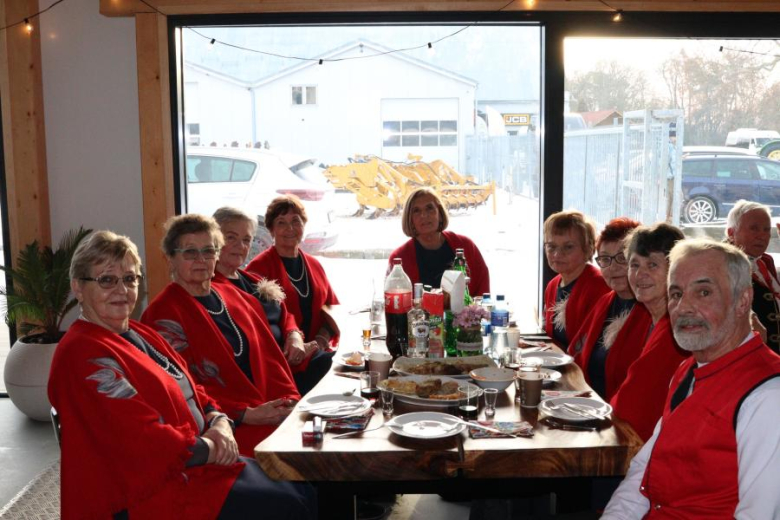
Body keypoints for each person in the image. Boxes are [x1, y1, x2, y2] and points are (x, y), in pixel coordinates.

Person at [49, 230, 315, 519]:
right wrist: (212, 446)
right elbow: (144, 440)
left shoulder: (137, 332)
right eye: (107, 280)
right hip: (151, 488)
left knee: (300, 485)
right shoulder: (82, 353)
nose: (122, 290)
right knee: (285, 504)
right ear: (78, 287)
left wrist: (220, 421)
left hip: (195, 461)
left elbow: (194, 387)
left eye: (129, 279)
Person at [603, 239, 780, 519]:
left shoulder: (768, 396)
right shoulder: (688, 369)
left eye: (704, 292)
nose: (684, 307)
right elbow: (643, 470)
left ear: (743, 300)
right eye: (675, 294)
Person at [142, 214, 301, 457]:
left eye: (208, 250)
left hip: (268, 410)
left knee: (322, 447)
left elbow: (271, 360)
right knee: (298, 473)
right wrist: (246, 413)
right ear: (170, 258)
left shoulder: (236, 296)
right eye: (189, 252)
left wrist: (287, 402)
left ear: (217, 254)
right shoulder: (162, 314)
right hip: (220, 427)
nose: (201, 259)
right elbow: (180, 389)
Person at [213, 206, 334, 395]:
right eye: (231, 238)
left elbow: (285, 315)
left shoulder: (251, 280)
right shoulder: (212, 289)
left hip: (293, 361)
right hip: (271, 377)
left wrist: (294, 336)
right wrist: (294, 351)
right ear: (214, 240)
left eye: (246, 239)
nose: (241, 246)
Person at [609, 223, 689, 441]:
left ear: (676, 270)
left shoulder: (676, 331)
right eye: (634, 264)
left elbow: (634, 408)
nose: (639, 274)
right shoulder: (644, 316)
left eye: (652, 265)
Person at [568, 217, 651, 400]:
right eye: (605, 259)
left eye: (622, 257)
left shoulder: (652, 313)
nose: (613, 267)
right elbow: (575, 352)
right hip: (589, 405)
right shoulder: (606, 302)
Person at [246, 195, 340, 349]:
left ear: (303, 225)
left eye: (296, 221)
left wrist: (321, 340)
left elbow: (332, 306)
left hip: (317, 355)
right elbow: (255, 323)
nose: (290, 228)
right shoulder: (258, 268)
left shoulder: (315, 264)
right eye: (281, 223)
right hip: (280, 358)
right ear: (271, 230)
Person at [387, 187, 490, 295]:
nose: (424, 215)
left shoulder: (466, 246)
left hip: (464, 312)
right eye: (416, 211)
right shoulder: (399, 258)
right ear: (410, 220)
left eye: (429, 208)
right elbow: (393, 301)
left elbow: (484, 293)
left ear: (440, 214)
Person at [543, 210, 610, 350]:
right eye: (551, 246)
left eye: (568, 247)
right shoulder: (552, 285)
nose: (557, 254)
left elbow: (589, 348)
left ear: (588, 249)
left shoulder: (599, 286)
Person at [726, 199, 780, 354]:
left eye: (766, 229)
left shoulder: (765, 262)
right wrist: (750, 316)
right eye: (754, 229)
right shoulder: (722, 263)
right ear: (731, 233)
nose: (762, 236)